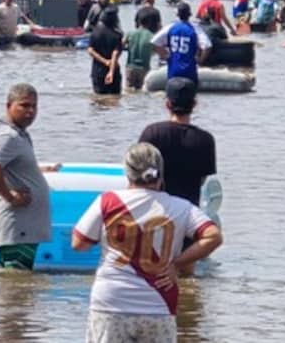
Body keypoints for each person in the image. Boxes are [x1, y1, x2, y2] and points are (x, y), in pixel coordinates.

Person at [72, 143, 223, 343]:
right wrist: (176, 264)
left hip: (111, 303)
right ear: (160, 174)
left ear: (127, 174)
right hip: (158, 305)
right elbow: (213, 236)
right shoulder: (181, 207)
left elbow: (79, 243)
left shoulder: (108, 201)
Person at [0, 83, 61, 270]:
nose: (30, 111)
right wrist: (9, 196)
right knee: (14, 289)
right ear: (9, 106)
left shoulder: (19, 135)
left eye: (34, 106)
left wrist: (38, 172)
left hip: (24, 227)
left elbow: (11, 168)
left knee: (18, 288)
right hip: (17, 227)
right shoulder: (8, 136)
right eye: (24, 105)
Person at [139, 78, 216, 208]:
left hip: (156, 212)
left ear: (168, 104)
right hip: (189, 213)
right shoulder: (205, 140)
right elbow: (202, 180)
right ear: (194, 104)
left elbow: (138, 174)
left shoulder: (152, 133)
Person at [152, 2, 211, 85]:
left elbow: (154, 42)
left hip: (173, 71)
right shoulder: (195, 28)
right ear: (189, 15)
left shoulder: (170, 27)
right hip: (190, 71)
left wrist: (166, 56)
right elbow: (207, 46)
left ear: (177, 14)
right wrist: (200, 60)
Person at [87, 7, 123, 95]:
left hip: (97, 72)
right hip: (114, 71)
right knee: (114, 101)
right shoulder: (117, 34)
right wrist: (111, 71)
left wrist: (105, 61)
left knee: (98, 101)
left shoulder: (95, 33)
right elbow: (115, 54)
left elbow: (90, 50)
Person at [123, 12, 155, 90]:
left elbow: (121, 45)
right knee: (142, 91)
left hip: (131, 67)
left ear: (138, 22)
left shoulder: (130, 33)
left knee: (129, 91)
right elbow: (158, 50)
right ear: (149, 23)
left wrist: (128, 48)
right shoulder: (151, 36)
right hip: (144, 68)